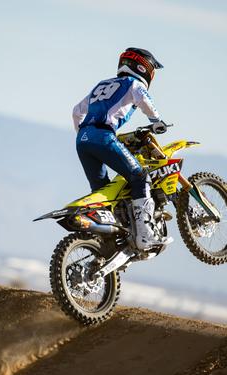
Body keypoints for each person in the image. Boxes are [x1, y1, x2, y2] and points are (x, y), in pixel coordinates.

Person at [72, 47, 173, 250]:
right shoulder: (133, 83)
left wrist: (84, 134)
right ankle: (145, 236)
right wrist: (156, 121)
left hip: (82, 139)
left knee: (103, 191)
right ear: (144, 68)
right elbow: (144, 99)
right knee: (140, 177)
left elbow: (76, 111)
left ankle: (107, 240)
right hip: (103, 136)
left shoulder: (102, 84)